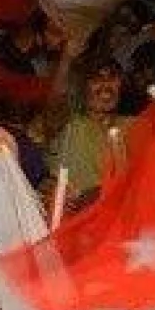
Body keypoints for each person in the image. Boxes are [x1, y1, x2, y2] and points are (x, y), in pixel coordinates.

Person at [46, 53, 128, 205]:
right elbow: (54, 108)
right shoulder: (72, 128)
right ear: (81, 87)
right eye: (96, 79)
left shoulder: (133, 125)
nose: (106, 85)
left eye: (112, 77)